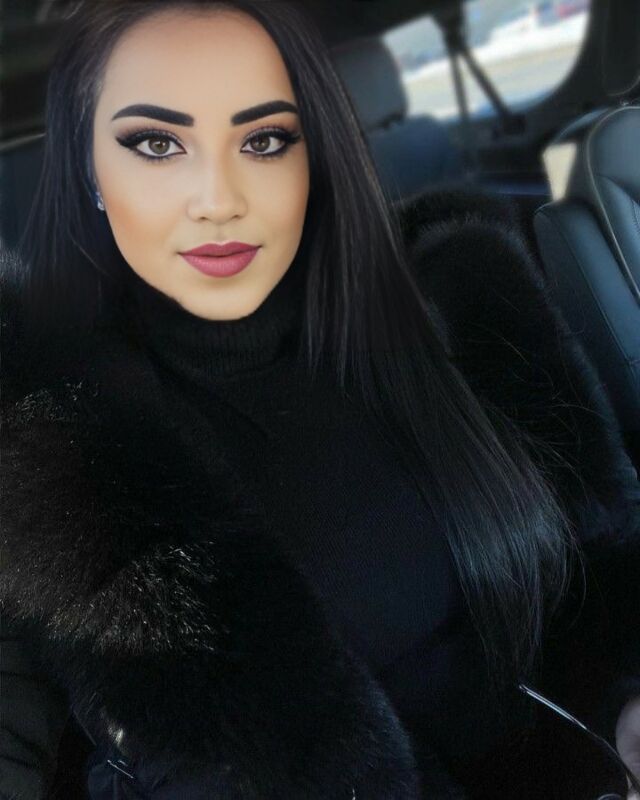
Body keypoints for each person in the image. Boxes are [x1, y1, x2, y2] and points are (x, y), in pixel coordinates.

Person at [1, 1, 639, 798]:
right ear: (89, 171)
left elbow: (605, 571)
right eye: (157, 144)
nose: (218, 198)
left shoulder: (467, 299)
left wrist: (627, 703)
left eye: (265, 140)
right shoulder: (47, 458)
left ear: (315, 156)